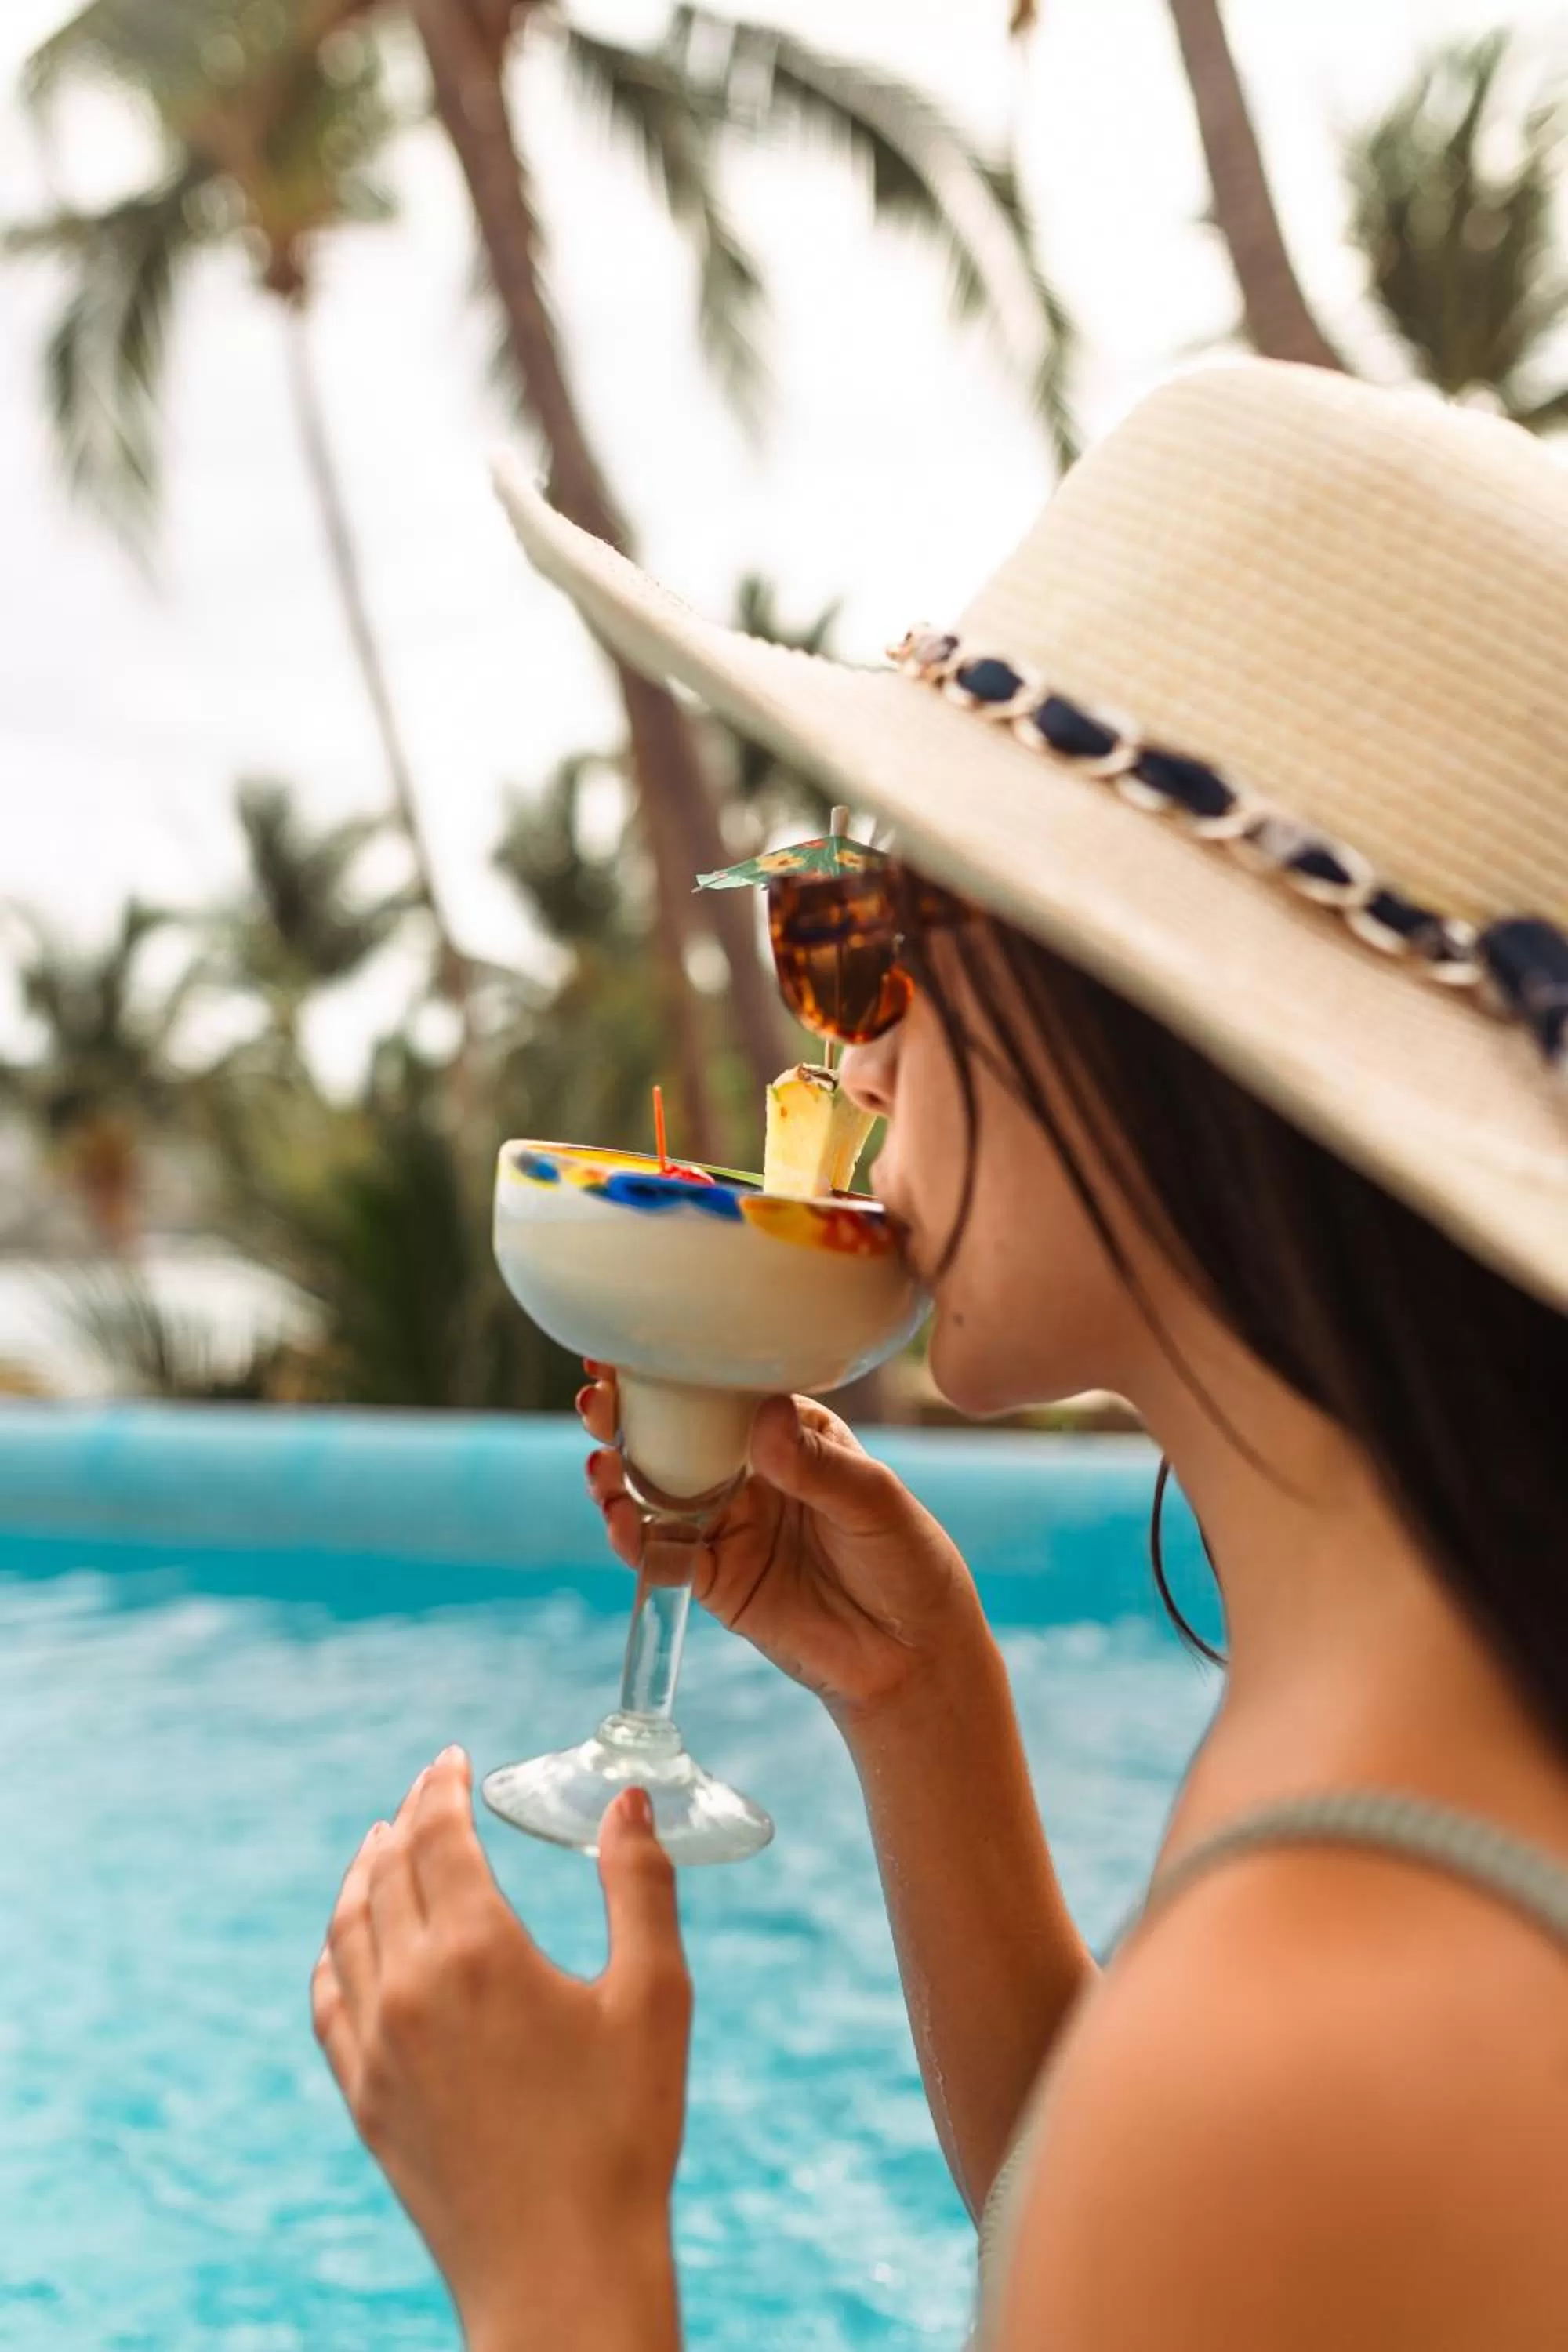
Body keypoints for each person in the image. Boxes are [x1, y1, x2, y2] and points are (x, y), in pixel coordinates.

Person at [311, 360, 1568, 2350]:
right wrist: (927, 1716)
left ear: (1162, 1010)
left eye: (865, 927)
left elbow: (1200, 2181)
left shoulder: (1310, 2037)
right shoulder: (1423, 1707)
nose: (849, 1048)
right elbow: (1144, 2226)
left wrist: (554, 2261)